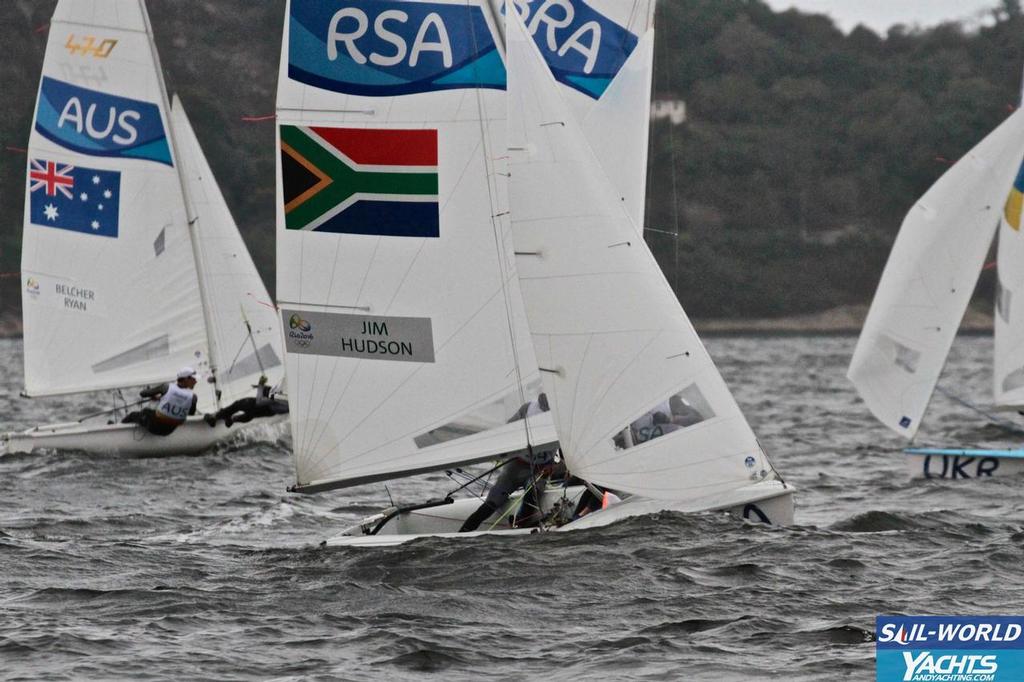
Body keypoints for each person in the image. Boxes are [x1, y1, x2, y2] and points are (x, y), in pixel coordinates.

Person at [459, 393, 556, 532]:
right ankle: (463, 533)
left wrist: (555, 465)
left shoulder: (562, 413)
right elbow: (509, 429)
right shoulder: (528, 408)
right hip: (515, 468)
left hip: (540, 470)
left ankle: (518, 526)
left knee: (532, 497)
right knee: (492, 503)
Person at [121, 367, 199, 436]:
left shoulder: (166, 387)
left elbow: (143, 394)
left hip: (153, 427)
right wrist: (163, 398)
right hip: (168, 432)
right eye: (194, 379)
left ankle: (119, 429)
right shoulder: (193, 397)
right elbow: (191, 414)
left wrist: (155, 396)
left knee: (135, 414)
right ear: (186, 379)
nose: (196, 381)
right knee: (151, 413)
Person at [203, 375, 289, 427]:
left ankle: (215, 418)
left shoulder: (280, 397)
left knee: (237, 405)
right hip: (261, 413)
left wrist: (260, 386)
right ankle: (231, 420)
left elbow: (259, 401)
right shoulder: (289, 406)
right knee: (248, 416)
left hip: (253, 406)